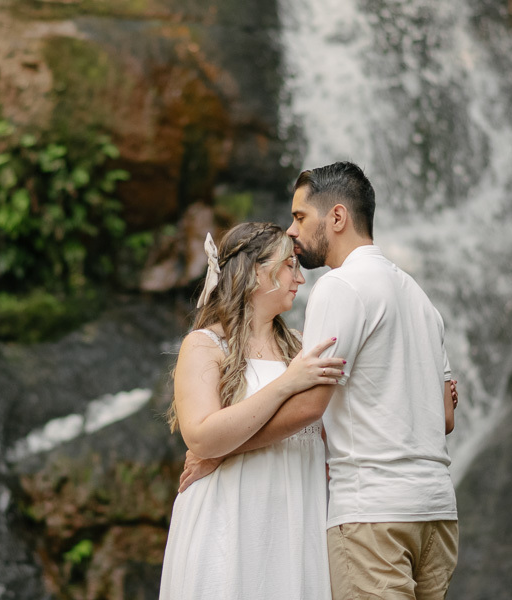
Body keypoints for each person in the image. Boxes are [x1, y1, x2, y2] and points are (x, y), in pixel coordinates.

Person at [180, 161, 459, 599]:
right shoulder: (420, 298)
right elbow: (444, 415)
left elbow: (311, 406)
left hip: (374, 513)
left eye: (299, 217)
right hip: (437, 513)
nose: (293, 231)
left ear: (337, 217)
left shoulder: (338, 288)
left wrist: (219, 452)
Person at [158, 222, 346, 600]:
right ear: (256, 272)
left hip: (298, 516)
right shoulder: (205, 345)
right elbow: (201, 436)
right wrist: (287, 383)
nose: (300, 278)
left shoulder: (301, 347)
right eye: (289, 265)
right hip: (230, 517)